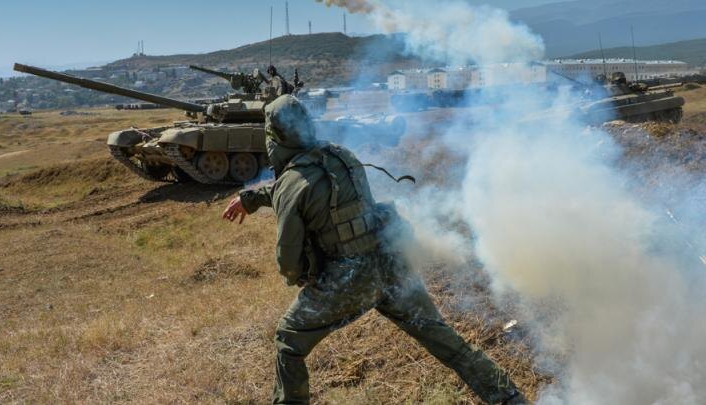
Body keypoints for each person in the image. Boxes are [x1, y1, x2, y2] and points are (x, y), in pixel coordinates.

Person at [222, 95, 528, 405]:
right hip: (392, 262)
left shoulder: (292, 182)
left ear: (274, 136)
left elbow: (288, 259)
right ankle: (509, 397)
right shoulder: (341, 155)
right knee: (445, 341)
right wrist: (251, 199)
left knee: (288, 340)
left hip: (349, 280)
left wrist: (305, 279)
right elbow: (303, 183)